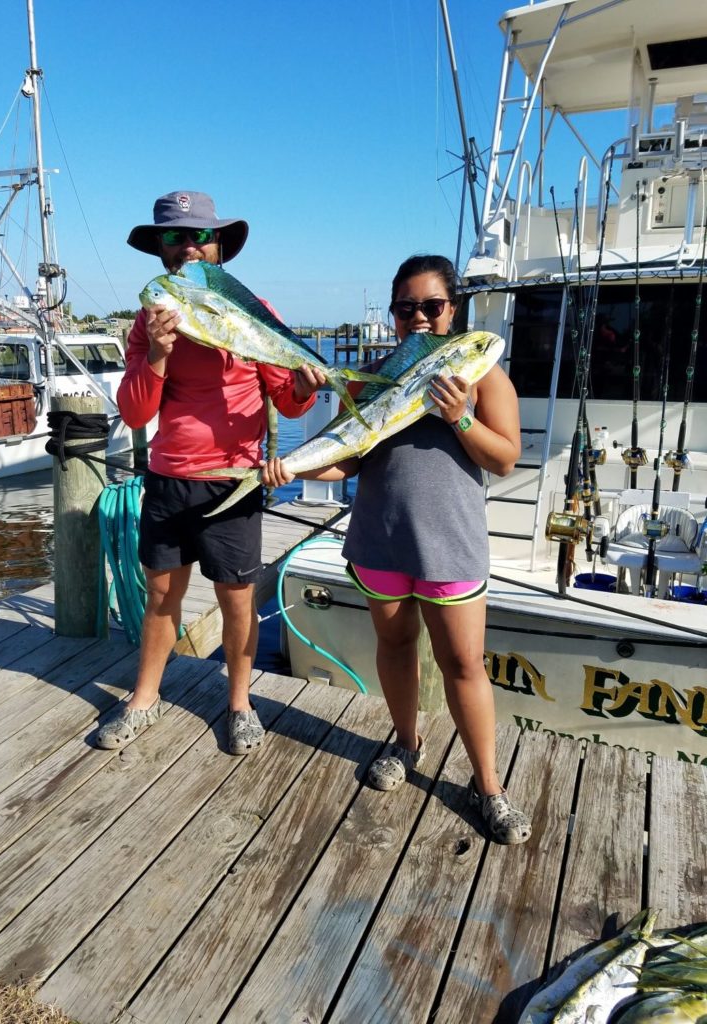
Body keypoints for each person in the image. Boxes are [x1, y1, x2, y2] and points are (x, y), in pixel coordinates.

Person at [262, 254, 531, 844]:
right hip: (379, 540)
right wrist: (294, 467)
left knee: (464, 665)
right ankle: (406, 743)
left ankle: (490, 786)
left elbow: (505, 457)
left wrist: (460, 417)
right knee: (394, 644)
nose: (419, 319)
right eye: (406, 308)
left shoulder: (482, 375)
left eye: (432, 307)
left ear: (452, 311)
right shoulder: (372, 377)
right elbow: (351, 458)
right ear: (393, 314)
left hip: (451, 546)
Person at [96, 191, 325, 753]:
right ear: (161, 251)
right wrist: (156, 354)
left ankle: (240, 703)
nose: (188, 246)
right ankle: (143, 698)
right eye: (173, 237)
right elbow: (135, 412)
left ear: (219, 247)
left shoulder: (253, 307)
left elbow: (287, 398)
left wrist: (304, 385)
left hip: (234, 481)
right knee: (159, 599)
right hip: (170, 479)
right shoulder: (147, 323)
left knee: (237, 601)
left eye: (199, 235)